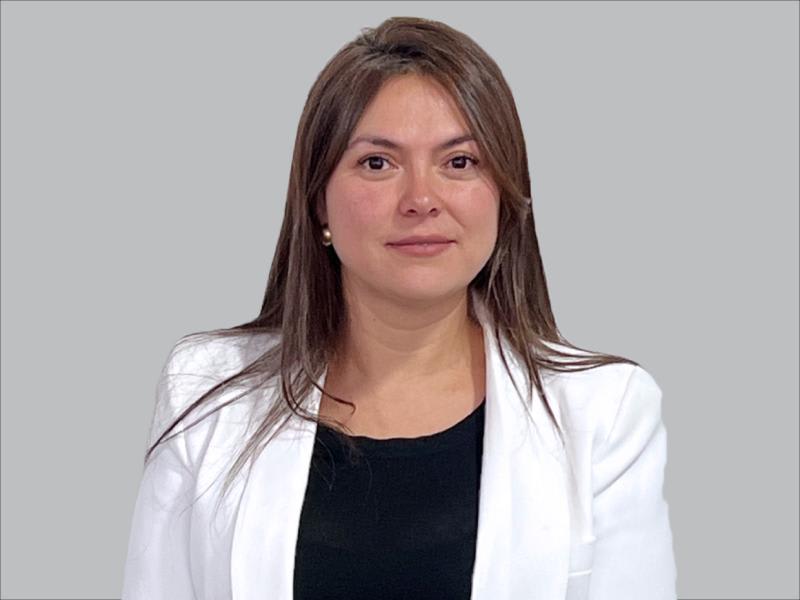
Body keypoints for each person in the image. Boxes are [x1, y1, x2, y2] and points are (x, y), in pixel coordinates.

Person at [121, 15, 677, 600]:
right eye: (377, 163)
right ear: (318, 203)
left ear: (507, 195)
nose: (420, 200)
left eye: (459, 162)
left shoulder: (604, 411)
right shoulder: (208, 391)